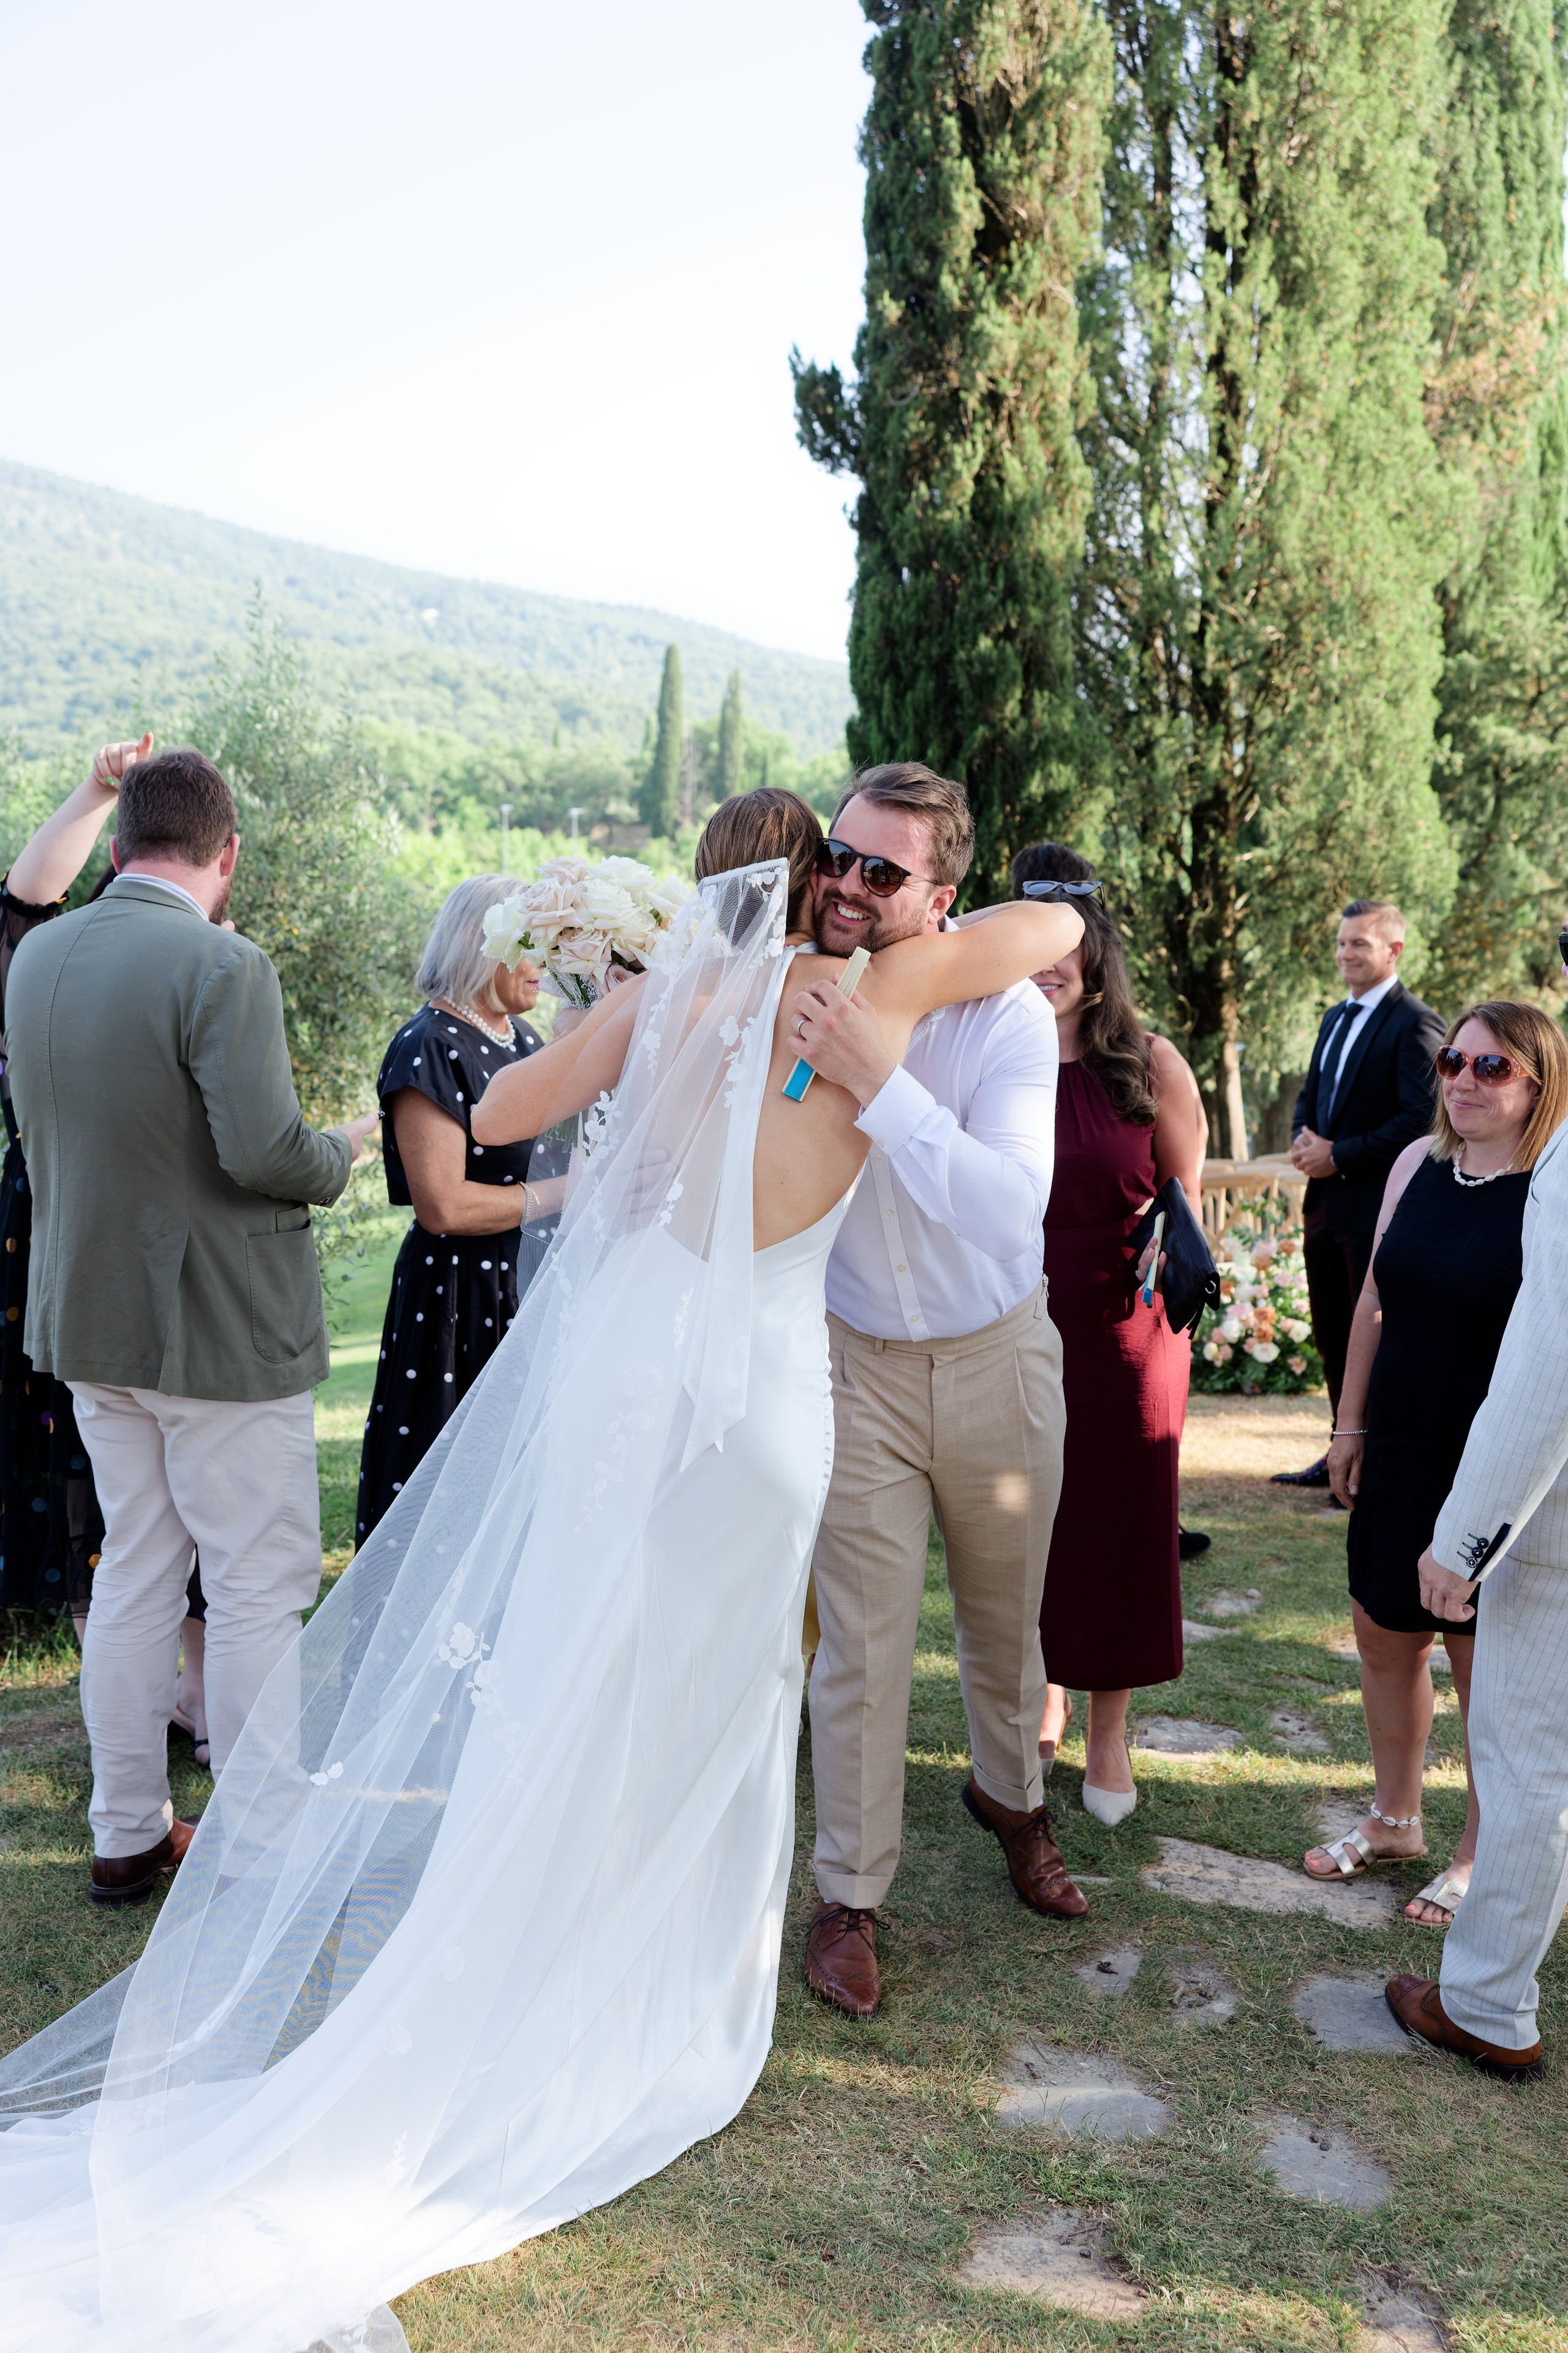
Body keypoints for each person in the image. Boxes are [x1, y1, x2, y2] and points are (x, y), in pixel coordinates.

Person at [0, 789, 1082, 2350]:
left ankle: (531, 1951)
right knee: (714, 1697)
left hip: (624, 1363)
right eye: (841, 864)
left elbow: (496, 1116)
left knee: (579, 1664)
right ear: (819, 886)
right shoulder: (877, 989)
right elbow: (1051, 927)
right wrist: (915, 926)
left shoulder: (664, 996)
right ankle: (668, 2003)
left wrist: (626, 1035)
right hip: (758, 1396)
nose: (858, 885)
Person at [3, 747, 377, 1909]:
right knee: (259, 1584)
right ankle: (262, 1845)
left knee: (135, 1574)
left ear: (119, 848)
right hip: (218, 1327)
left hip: (88, 1321)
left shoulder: (38, 956)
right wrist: (345, 1152)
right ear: (228, 858)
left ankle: (125, 1831)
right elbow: (267, 1150)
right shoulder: (227, 964)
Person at [793, 767, 1087, 2025]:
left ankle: (1011, 1800)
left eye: (880, 872)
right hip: (850, 1362)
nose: (848, 886)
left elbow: (1004, 1203)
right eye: (836, 858)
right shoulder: (796, 994)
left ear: (942, 896)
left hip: (994, 1356)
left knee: (1002, 1619)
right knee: (856, 1642)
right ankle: (848, 1895)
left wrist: (881, 1076)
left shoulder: (1006, 1019)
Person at [1303, 1002, 1567, 1923]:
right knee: (1385, 1633)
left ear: (1540, 1082)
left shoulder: (1550, 1186)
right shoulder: (1417, 1163)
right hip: (1402, 1440)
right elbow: (1374, 1293)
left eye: (1493, 1068)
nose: (1463, 1078)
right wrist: (1348, 1423)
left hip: (1493, 1456)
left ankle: (1478, 1850)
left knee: (1480, 1665)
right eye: (1455, 1059)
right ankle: (1395, 1818)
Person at [0, 736, 211, 1764]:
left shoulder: (197, 947)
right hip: (60, 1239)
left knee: (195, 1475)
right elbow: (25, 905)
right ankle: (129, 1715)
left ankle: (198, 1699)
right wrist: (96, 788)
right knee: (92, 1480)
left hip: (179, 1242)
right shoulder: (43, 958)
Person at [1016, 845, 1207, 1823]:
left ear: (1095, 948)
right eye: (1030, 943)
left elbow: (1187, 1201)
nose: (1047, 963)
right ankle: (1036, 1699)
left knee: (1119, 1524)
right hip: (1008, 1318)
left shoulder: (1149, 1060)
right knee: (1022, 1519)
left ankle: (1107, 1729)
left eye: (1065, 945)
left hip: (1123, 1328)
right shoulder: (980, 1047)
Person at [1384, 1083, 1568, 2080]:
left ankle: (1492, 2004)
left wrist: (1465, 1538)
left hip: (1556, 1512)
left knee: (1529, 1758)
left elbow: (1549, 1363)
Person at [356, 877, 549, 1541]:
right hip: (457, 1300)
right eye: (528, 942)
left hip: (520, 1291)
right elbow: (441, 1206)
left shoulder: (526, 1040)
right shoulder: (428, 1044)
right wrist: (558, 1196)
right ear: (479, 941)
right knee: (445, 1506)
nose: (540, 960)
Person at [1274, 901, 1443, 1489]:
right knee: (1330, 1332)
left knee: (1369, 1337)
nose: (1345, 954)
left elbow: (1423, 1120)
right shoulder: (1332, 1017)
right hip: (1323, 1208)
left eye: (1359, 945)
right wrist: (1303, 1139)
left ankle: (1373, 1464)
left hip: (1375, 1212)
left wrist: (1339, 1154)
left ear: (1393, 951)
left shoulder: (1416, 1022)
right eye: (1342, 943)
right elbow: (1310, 1096)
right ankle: (1337, 1453)